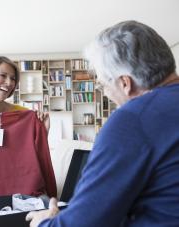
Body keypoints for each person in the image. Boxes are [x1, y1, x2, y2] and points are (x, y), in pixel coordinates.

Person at [26, 20, 179, 226]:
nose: (106, 94)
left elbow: (85, 223)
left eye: (103, 85)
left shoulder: (133, 118)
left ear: (125, 83)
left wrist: (42, 223)